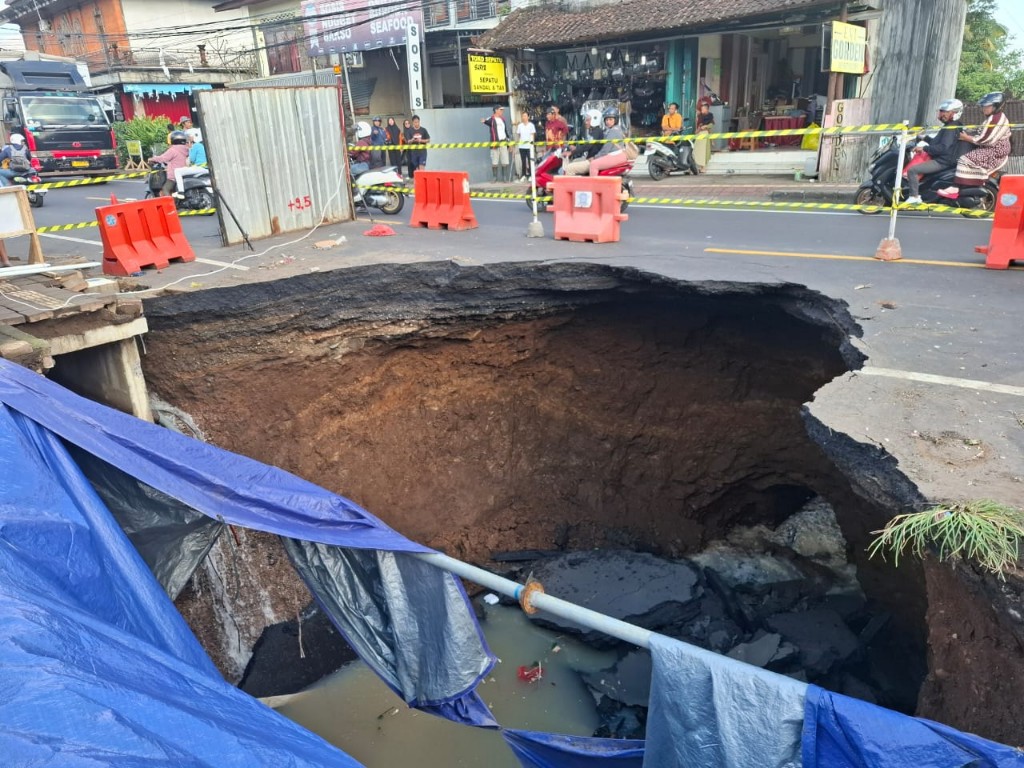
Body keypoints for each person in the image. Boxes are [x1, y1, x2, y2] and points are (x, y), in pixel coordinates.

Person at [938, 92, 1011, 200]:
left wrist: (967, 138)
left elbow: (986, 139)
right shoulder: (993, 117)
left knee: (964, 159)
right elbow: (981, 132)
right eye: (984, 106)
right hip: (990, 147)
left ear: (996, 106)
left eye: (987, 106)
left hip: (994, 151)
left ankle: (955, 187)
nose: (983, 108)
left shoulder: (996, 119)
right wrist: (968, 133)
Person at [904, 99, 969, 205]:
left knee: (912, 170)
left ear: (954, 113)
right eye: (941, 111)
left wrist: (923, 148)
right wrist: (923, 137)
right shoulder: (950, 126)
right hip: (943, 159)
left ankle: (914, 197)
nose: (941, 114)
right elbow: (936, 143)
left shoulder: (951, 128)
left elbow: (943, 147)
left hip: (942, 161)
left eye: (945, 112)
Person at [588, 107, 628, 176]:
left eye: (610, 119)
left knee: (593, 164)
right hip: (619, 155)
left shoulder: (613, 131)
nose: (608, 122)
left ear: (615, 120)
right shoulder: (616, 129)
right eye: (606, 120)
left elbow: (605, 149)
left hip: (615, 155)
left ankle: (594, 185)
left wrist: (594, 157)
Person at [149, 130, 190, 197]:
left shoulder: (173, 150)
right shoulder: (186, 149)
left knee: (165, 189)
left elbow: (163, 158)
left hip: (174, 176)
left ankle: (171, 205)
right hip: (185, 173)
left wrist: (152, 158)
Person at [562, 110, 604, 176]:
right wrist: (575, 148)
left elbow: (587, 146)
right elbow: (584, 144)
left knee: (569, 168)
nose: (585, 122)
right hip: (590, 158)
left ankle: (573, 186)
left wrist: (572, 152)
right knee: (574, 161)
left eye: (587, 120)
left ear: (594, 120)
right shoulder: (593, 131)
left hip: (592, 160)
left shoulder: (597, 131)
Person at [173, 134, 208, 198]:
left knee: (177, 171)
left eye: (185, 143)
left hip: (200, 167)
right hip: (204, 167)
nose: (185, 145)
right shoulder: (200, 145)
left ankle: (181, 192)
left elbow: (191, 159)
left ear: (189, 142)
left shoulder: (194, 147)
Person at [482, 105, 510, 182]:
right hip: (495, 142)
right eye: (500, 110)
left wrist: (509, 142)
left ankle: (504, 177)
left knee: (505, 160)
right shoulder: (492, 119)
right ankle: (495, 177)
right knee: (495, 160)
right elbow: (486, 121)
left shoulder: (503, 119)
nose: (502, 111)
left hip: (503, 141)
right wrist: (484, 121)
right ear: (496, 110)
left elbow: (505, 131)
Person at [515, 111, 536, 182]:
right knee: (523, 161)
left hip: (529, 146)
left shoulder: (531, 125)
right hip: (522, 146)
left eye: (525, 116)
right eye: (523, 116)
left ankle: (530, 175)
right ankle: (524, 175)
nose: (524, 117)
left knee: (530, 161)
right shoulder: (520, 125)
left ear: (528, 117)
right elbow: (519, 135)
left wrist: (532, 144)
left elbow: (532, 135)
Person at [693, 103, 714, 173]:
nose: (701, 110)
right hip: (699, 134)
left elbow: (711, 125)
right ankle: (695, 166)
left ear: (706, 109)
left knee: (704, 151)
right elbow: (699, 125)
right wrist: (698, 130)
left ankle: (703, 167)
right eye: (701, 109)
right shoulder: (700, 116)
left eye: (703, 109)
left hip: (705, 134)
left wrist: (705, 126)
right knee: (696, 150)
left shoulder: (710, 116)